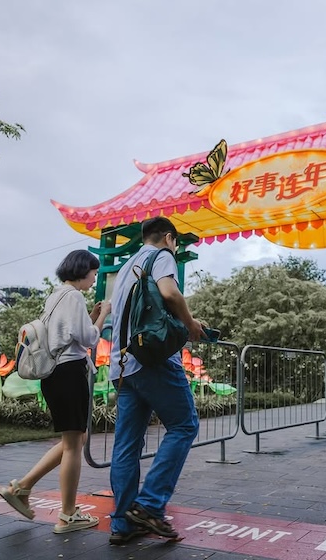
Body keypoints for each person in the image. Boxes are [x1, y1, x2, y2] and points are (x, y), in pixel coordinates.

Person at [107, 217, 206, 545]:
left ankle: (122, 524)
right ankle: (149, 505)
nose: (175, 249)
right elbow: (169, 292)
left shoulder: (126, 267)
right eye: (175, 243)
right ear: (167, 237)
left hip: (121, 366)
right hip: (152, 359)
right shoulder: (160, 256)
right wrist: (190, 323)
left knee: (126, 445)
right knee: (184, 425)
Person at [0, 250, 110, 533]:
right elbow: (87, 338)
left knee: (72, 440)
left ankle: (21, 488)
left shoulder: (56, 295)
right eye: (93, 274)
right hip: (69, 373)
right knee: (75, 444)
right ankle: (68, 515)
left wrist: (90, 316)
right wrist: (102, 317)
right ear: (82, 271)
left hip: (53, 374)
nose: (94, 279)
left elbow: (67, 331)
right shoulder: (73, 296)